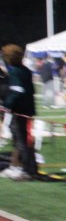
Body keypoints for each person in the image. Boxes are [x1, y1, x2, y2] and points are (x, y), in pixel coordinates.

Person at [1, 44, 37, 180]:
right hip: (28, 110)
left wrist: (7, 105)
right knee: (25, 141)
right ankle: (30, 168)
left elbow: (17, 91)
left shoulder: (15, 71)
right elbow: (30, 90)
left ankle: (27, 171)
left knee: (21, 141)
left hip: (19, 111)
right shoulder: (25, 70)